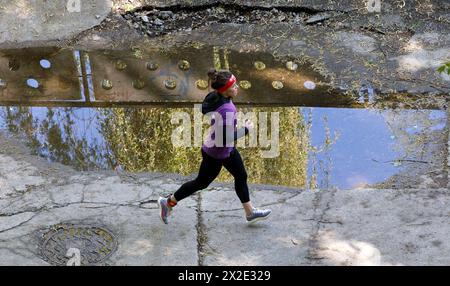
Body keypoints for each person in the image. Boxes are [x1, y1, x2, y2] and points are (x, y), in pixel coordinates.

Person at [157, 68, 272, 224]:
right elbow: (224, 138)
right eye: (233, 86)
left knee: (241, 175)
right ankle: (168, 202)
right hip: (216, 153)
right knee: (201, 183)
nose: (237, 87)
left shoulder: (215, 97)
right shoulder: (227, 109)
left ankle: (250, 212)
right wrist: (245, 129)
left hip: (225, 150)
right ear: (225, 91)